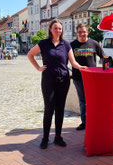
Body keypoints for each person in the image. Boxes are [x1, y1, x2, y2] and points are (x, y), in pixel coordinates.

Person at [27, 19, 87, 149]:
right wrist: (38, 67)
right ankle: (45, 138)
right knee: (49, 109)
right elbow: (30, 54)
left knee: (60, 109)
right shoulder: (44, 43)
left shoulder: (66, 44)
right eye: (55, 28)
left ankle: (58, 137)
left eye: (60, 28)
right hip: (48, 80)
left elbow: (73, 62)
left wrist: (81, 67)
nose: (58, 30)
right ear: (50, 29)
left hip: (63, 80)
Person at [70, 23, 105, 131]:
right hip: (78, 78)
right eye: (80, 32)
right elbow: (66, 60)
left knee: (93, 100)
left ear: (87, 32)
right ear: (76, 33)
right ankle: (84, 122)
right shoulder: (72, 45)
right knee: (82, 101)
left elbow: (104, 57)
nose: (82, 34)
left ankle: (94, 120)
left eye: (84, 32)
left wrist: (107, 69)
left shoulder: (94, 43)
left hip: (92, 78)